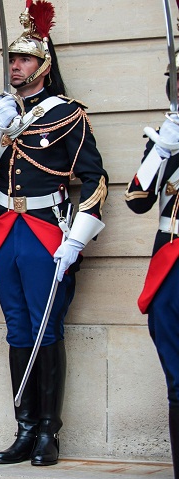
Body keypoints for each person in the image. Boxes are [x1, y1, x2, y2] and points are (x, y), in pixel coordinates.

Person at [0, 0, 108, 466]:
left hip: (49, 232)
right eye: (11, 59)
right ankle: (24, 427)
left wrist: (77, 238)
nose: (15, 66)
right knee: (18, 330)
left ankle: (49, 431)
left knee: (46, 331)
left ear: (43, 66)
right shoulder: (0, 114)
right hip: (7, 232)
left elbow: (96, 179)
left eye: (24, 59)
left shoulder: (67, 114)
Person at [125, 53, 179, 478]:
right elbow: (138, 199)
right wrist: (161, 150)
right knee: (177, 378)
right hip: (172, 263)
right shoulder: (168, 133)